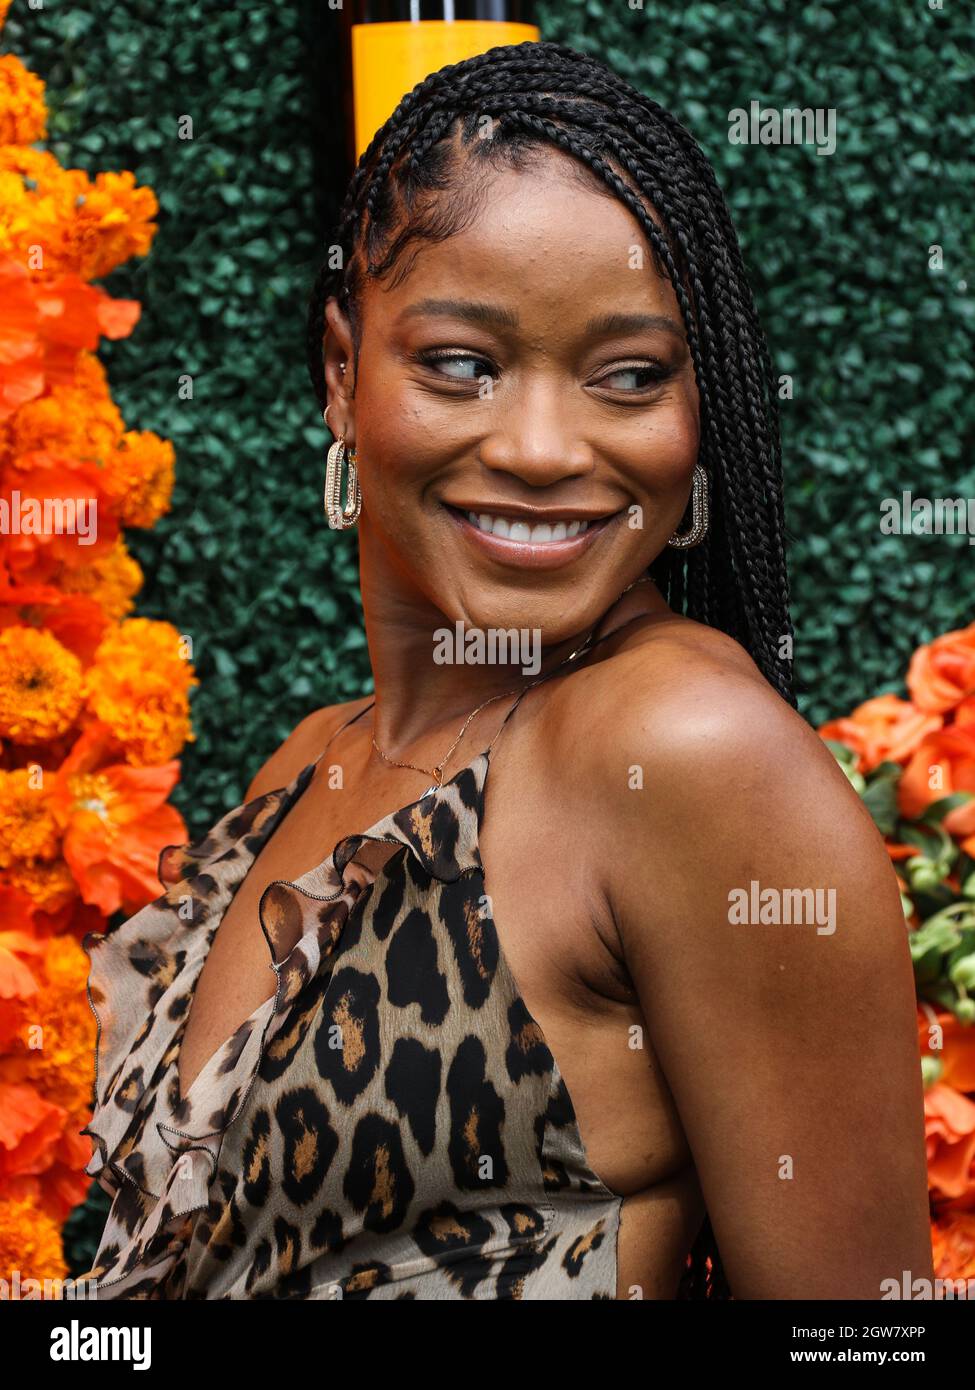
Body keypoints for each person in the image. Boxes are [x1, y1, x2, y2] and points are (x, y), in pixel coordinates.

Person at [79, 39, 933, 1300]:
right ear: (340, 374)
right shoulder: (310, 761)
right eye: (463, 365)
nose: (541, 447)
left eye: (630, 376)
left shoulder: (684, 748)